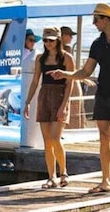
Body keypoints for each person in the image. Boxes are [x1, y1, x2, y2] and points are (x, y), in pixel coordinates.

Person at [52, 3, 110, 193]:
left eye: (97, 19)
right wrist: (66, 74)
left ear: (107, 19)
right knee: (103, 137)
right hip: (103, 94)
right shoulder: (97, 44)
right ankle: (106, 181)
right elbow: (86, 71)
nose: (94, 23)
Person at [23, 27, 75, 188]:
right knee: (47, 141)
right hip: (44, 95)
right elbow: (35, 81)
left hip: (60, 96)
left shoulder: (67, 58)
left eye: (51, 40)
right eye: (45, 40)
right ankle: (51, 177)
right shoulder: (40, 58)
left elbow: (70, 83)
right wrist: (27, 102)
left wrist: (64, 105)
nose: (48, 43)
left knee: (55, 138)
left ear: (58, 40)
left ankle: (63, 172)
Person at [61, 25, 87, 129]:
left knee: (76, 107)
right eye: (69, 35)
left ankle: (77, 128)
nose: (71, 38)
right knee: (73, 106)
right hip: (69, 79)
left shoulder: (68, 49)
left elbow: (72, 68)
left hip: (72, 79)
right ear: (62, 36)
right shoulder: (65, 50)